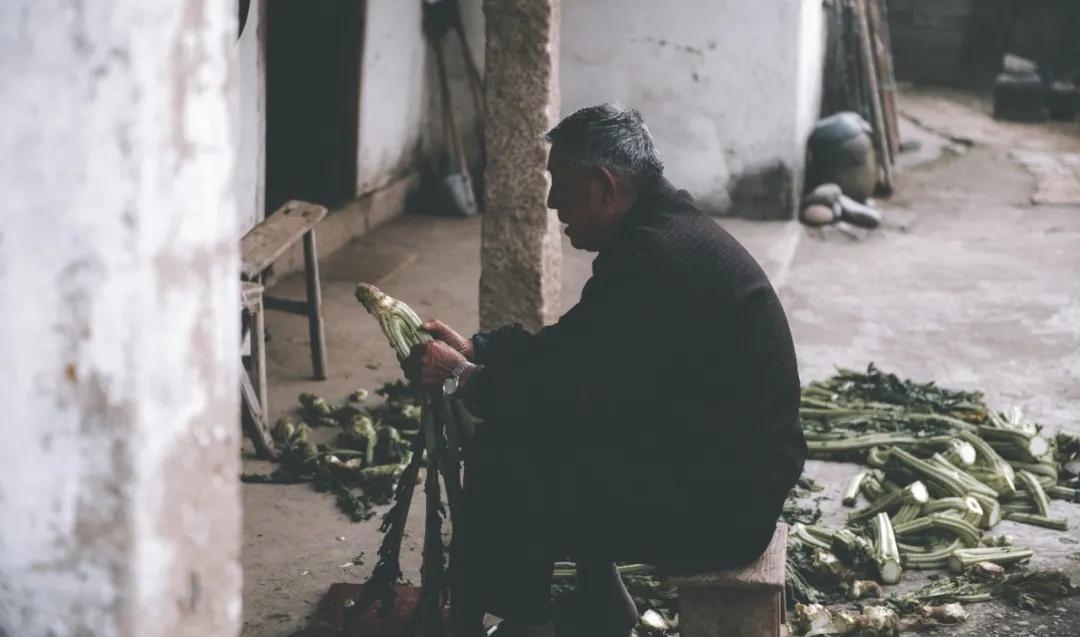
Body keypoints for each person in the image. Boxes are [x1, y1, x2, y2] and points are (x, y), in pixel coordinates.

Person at [403, 103, 806, 637]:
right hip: (721, 473)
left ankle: (526, 623)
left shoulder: (655, 260)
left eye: (560, 186)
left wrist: (463, 378)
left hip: (723, 509)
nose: (551, 202)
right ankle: (601, 609)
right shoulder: (658, 233)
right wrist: (481, 350)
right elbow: (576, 348)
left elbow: (572, 395)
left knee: (505, 457)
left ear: (603, 186)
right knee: (551, 438)